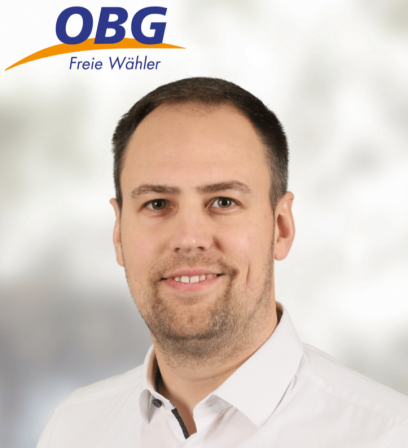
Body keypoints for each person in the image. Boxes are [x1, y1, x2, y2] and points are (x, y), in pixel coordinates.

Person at [37, 77, 408, 447]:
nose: (189, 239)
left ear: (281, 227)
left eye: (224, 201)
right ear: (119, 233)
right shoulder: (71, 430)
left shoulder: (389, 435)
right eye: (157, 204)